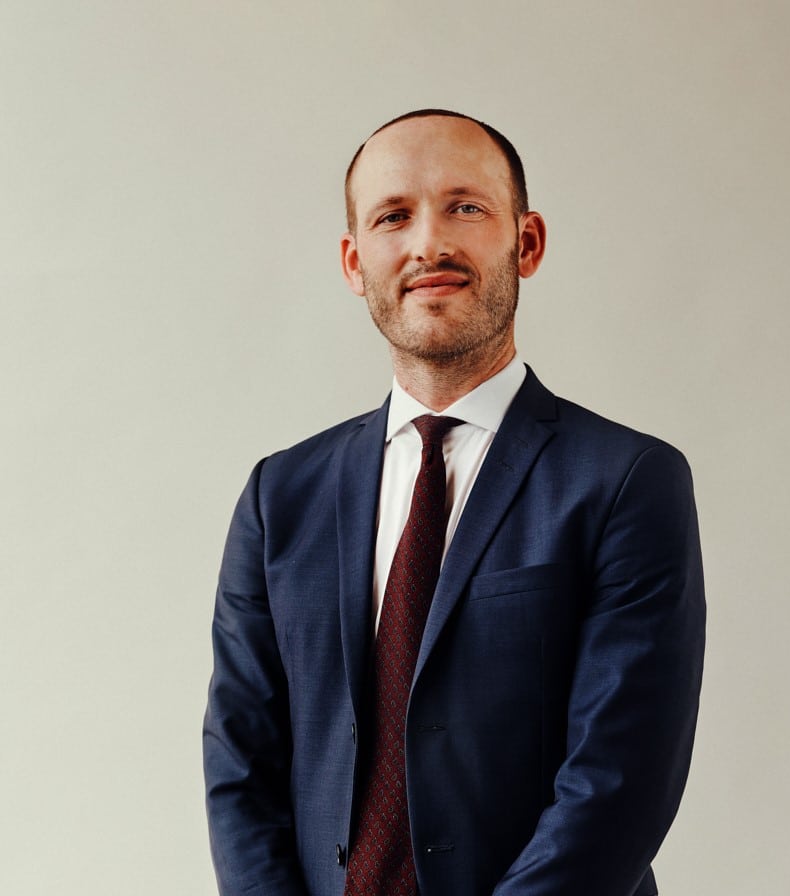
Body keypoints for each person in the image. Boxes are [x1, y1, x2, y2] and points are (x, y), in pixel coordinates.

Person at [203, 109, 705, 896]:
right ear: (354, 262)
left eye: (465, 207)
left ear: (526, 242)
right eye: (392, 216)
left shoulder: (627, 481)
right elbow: (241, 766)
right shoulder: (281, 497)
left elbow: (618, 783)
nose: (429, 243)